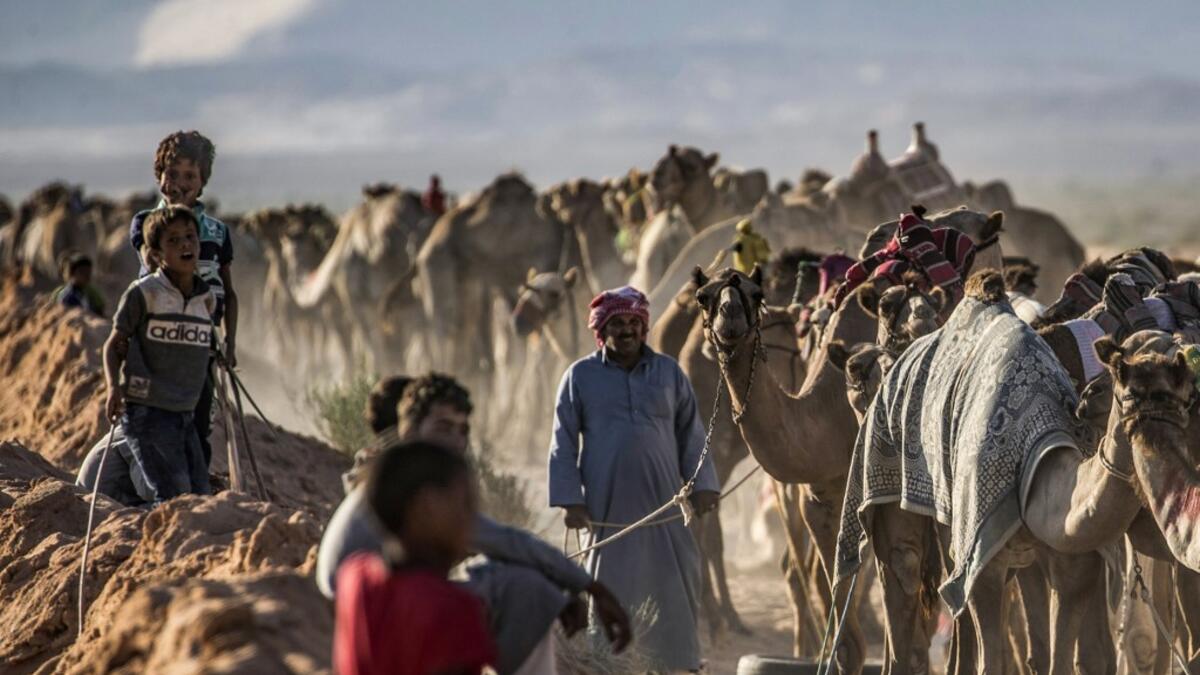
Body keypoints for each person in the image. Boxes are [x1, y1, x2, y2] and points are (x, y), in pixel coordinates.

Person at [317, 372, 630, 675]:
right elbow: (507, 541)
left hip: (369, 613)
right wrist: (587, 587)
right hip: (391, 614)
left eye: (463, 430)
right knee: (527, 589)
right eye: (443, 427)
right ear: (408, 430)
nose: (456, 440)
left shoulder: (361, 560)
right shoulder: (417, 487)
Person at [548, 285, 720, 673]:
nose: (626, 330)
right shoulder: (579, 377)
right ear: (602, 329)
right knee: (609, 591)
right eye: (617, 323)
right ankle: (607, 666)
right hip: (605, 513)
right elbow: (562, 440)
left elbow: (691, 433)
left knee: (676, 587)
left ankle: (680, 665)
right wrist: (569, 499)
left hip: (663, 511)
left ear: (644, 328)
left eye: (633, 323)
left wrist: (704, 483)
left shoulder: (670, 373)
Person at [335, 439, 497, 675]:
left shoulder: (354, 575)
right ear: (427, 506)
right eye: (465, 504)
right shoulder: (451, 608)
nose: (471, 518)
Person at [129, 130, 238, 474]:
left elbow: (228, 292)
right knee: (157, 420)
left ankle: (194, 488)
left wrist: (230, 341)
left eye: (190, 176)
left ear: (203, 181)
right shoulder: (146, 224)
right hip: (156, 344)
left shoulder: (218, 233)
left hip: (201, 343)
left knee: (199, 419)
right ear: (160, 178)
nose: (181, 182)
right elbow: (151, 262)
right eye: (172, 174)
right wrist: (173, 217)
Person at [103, 206, 213, 503]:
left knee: (200, 492)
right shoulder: (143, 294)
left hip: (184, 412)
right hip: (147, 410)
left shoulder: (206, 299)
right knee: (173, 496)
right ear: (155, 253)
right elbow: (114, 344)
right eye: (174, 240)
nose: (185, 245)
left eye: (190, 237)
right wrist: (114, 387)